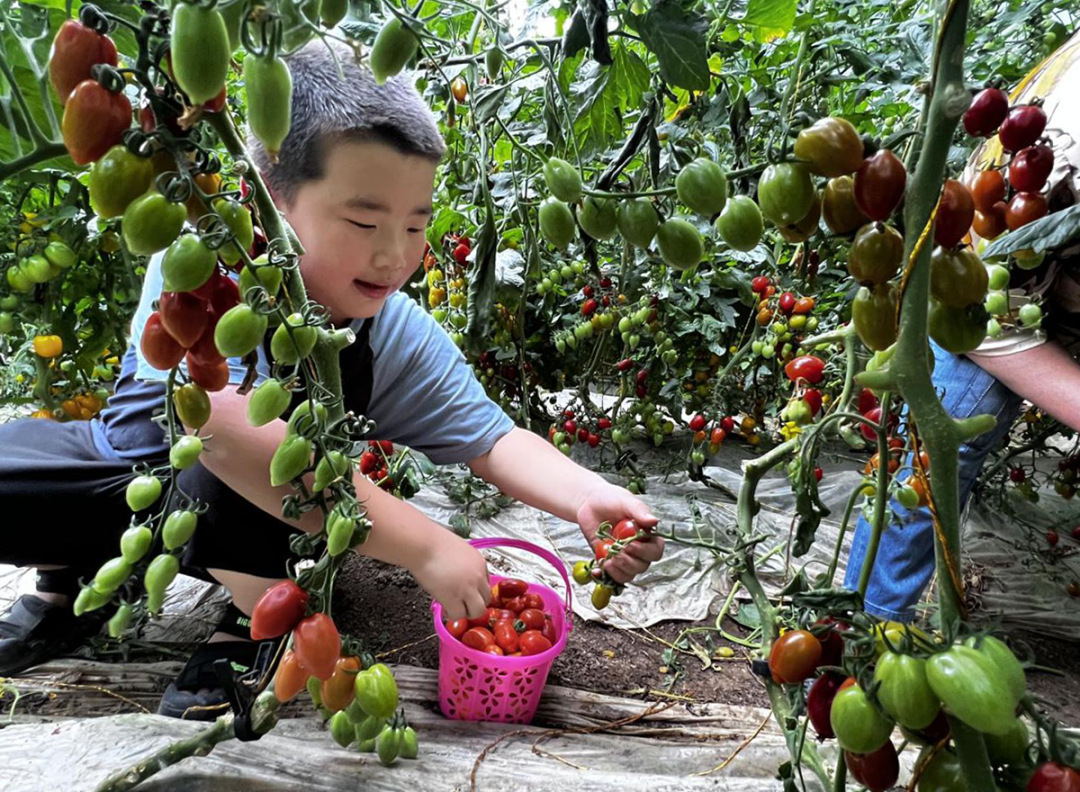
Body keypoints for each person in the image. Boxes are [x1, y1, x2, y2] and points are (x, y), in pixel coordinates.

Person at [0, 40, 664, 719]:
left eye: (416, 226)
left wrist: (587, 495)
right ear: (270, 201)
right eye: (364, 221)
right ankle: (72, 576)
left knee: (273, 457)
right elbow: (215, 422)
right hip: (130, 478)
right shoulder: (207, 262)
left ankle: (255, 616)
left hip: (252, 528)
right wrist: (424, 543)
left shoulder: (390, 329)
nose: (395, 255)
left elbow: (491, 438)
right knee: (183, 446)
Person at [844, 41, 1080, 622]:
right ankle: (859, 631)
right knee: (933, 456)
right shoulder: (1053, 155)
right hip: (987, 300)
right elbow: (985, 321)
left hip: (1025, 282)